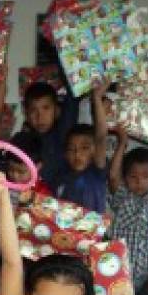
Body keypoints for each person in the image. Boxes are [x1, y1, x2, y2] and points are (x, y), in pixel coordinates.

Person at [107, 134, 148, 291]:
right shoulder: (123, 195)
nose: (139, 182)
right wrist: (122, 143)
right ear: (125, 179)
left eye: (146, 176)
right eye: (133, 176)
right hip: (117, 267)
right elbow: (113, 176)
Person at [50, 81, 109, 212]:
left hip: (92, 232)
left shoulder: (96, 172)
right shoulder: (60, 177)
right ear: (65, 153)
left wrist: (97, 98)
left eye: (85, 148)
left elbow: (100, 136)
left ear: (95, 151)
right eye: (71, 149)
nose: (77, 154)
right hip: (64, 232)